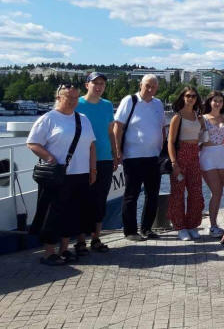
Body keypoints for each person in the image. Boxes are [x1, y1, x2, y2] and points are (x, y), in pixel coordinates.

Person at [28, 84, 96, 265]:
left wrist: (93, 169)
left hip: (80, 174)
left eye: (75, 98)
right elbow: (33, 143)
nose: (73, 101)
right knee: (53, 213)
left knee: (72, 213)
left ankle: (65, 249)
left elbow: (91, 146)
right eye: (69, 97)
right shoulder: (48, 119)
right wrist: (50, 158)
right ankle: (49, 252)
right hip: (58, 175)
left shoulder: (83, 119)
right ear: (58, 97)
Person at [113, 74, 165, 241]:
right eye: (147, 85)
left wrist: (163, 151)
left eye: (153, 86)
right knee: (131, 194)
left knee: (152, 194)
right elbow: (118, 127)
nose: (150, 89)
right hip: (133, 156)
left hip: (154, 157)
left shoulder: (158, 104)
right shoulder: (130, 101)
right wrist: (117, 151)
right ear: (140, 85)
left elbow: (161, 128)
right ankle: (130, 231)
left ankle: (147, 228)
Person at [76, 72, 115, 253]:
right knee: (82, 200)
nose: (99, 87)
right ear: (87, 85)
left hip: (104, 158)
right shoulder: (77, 104)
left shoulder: (107, 105)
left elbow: (110, 131)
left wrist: (115, 153)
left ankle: (96, 238)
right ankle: (80, 240)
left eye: (102, 84)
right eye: (95, 83)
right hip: (82, 159)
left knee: (100, 199)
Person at [167, 87, 204, 241]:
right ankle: (180, 227)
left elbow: (202, 136)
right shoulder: (178, 117)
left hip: (194, 155)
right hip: (181, 154)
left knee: (196, 192)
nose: (191, 98)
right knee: (178, 193)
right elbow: (170, 141)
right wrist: (174, 163)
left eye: (194, 96)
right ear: (183, 97)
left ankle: (192, 224)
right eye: (188, 96)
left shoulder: (198, 116)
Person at [200, 91, 224, 237]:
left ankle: (214, 223)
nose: (218, 103)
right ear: (209, 102)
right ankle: (212, 226)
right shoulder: (203, 118)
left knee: (218, 192)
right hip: (208, 155)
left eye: (220, 101)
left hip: (222, 155)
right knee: (216, 191)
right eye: (215, 100)